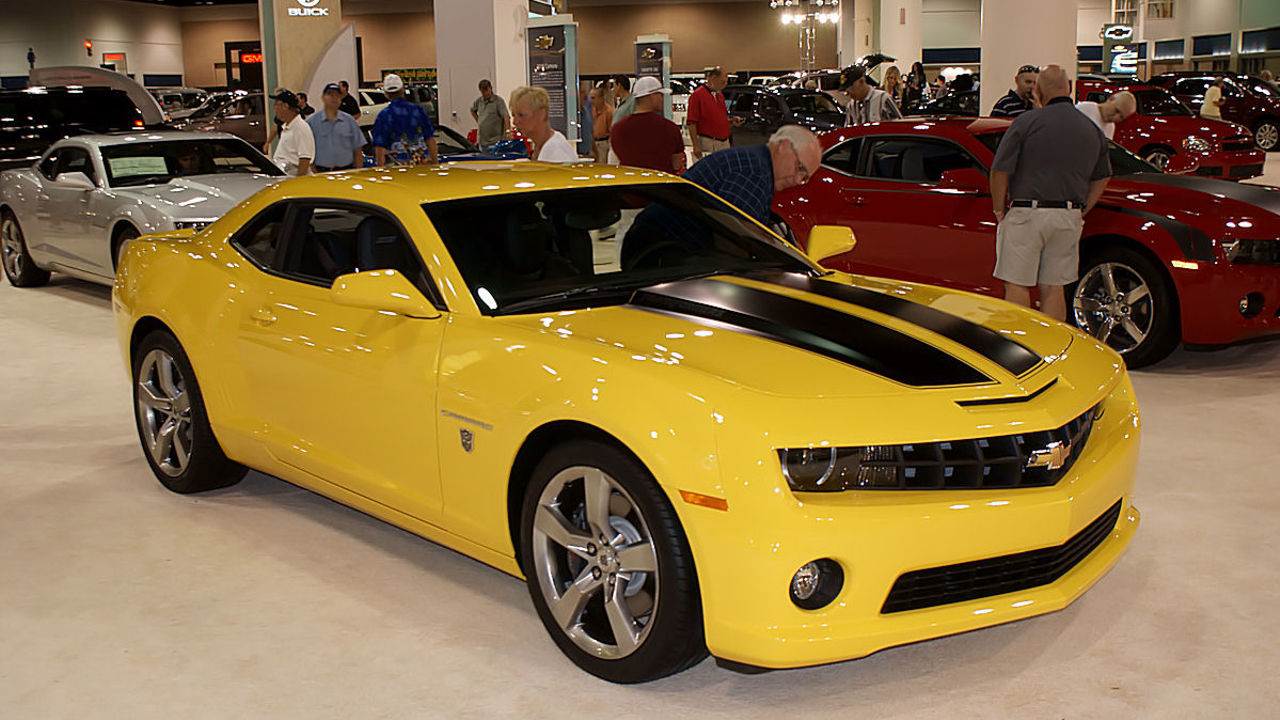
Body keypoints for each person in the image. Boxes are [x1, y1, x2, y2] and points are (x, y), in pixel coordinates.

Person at [989, 65, 1110, 322]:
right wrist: (1084, 207)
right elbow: (1103, 175)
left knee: (1017, 284)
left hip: (1027, 213)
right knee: (1054, 288)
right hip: (1068, 216)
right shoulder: (1091, 129)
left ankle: (1020, 346)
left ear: (1039, 91)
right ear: (1069, 88)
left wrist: (999, 208)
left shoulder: (1027, 122)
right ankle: (1052, 353)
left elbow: (1000, 170)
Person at [681, 125, 821, 224]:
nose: (797, 180)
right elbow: (736, 243)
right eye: (799, 167)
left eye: (804, 178)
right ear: (783, 146)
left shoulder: (756, 162)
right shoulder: (754, 172)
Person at [610, 76, 684, 174]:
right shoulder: (670, 128)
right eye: (661, 95)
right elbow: (677, 163)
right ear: (653, 96)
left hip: (630, 185)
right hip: (661, 185)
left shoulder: (617, 128)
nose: (662, 99)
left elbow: (615, 159)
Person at [371, 73, 437, 166]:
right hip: (421, 165)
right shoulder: (418, 111)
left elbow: (380, 146)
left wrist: (380, 167)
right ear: (402, 91)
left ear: (386, 94)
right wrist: (435, 163)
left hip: (398, 167)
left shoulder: (384, 116)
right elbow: (430, 139)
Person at [510, 85, 579, 162]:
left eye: (521, 115)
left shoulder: (556, 151)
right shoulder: (540, 147)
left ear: (541, 114)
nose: (515, 122)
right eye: (514, 115)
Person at [307, 82, 365, 172]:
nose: (333, 98)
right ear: (323, 97)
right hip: (321, 173)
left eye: (337, 95)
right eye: (330, 94)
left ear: (341, 99)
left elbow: (358, 150)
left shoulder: (349, 121)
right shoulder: (311, 122)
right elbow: (306, 151)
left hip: (346, 172)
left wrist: (357, 171)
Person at [687, 66, 738, 161]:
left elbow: (719, 118)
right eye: (722, 82)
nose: (724, 85)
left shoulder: (719, 96)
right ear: (713, 78)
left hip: (724, 141)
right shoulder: (697, 95)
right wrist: (696, 145)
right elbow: (691, 122)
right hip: (709, 142)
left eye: (726, 83)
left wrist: (731, 121)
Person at [269, 89, 314, 177]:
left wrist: (297, 183)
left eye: (276, 105)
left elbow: (305, 159)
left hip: (295, 180)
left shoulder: (300, 127)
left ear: (285, 106)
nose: (274, 109)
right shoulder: (287, 127)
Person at [469, 79, 510, 150]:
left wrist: (508, 131)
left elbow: (506, 116)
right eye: (483, 92)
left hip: (495, 141)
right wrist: (479, 121)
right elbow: (472, 110)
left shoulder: (498, 101)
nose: (485, 93)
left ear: (491, 88)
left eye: (487, 90)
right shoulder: (479, 101)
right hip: (482, 141)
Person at [589, 85, 614, 163]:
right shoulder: (591, 111)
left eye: (593, 98)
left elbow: (611, 131)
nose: (590, 100)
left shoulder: (609, 112)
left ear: (601, 98)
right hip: (592, 143)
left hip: (603, 144)